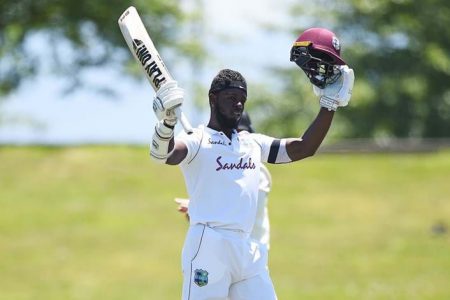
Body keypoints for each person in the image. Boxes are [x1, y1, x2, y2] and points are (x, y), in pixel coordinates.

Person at [150, 27, 354, 300]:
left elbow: (305, 148)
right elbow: (165, 155)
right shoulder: (198, 139)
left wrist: (329, 105)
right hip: (209, 245)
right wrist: (167, 123)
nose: (237, 105)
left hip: (247, 248)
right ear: (213, 99)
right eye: (231, 98)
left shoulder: (251, 143)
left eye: (242, 100)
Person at [174, 112, 272, 249]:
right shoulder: (221, 168)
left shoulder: (258, 170)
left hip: (251, 254)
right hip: (223, 251)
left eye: (240, 134)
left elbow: (241, 206)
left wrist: (198, 206)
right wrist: (197, 212)